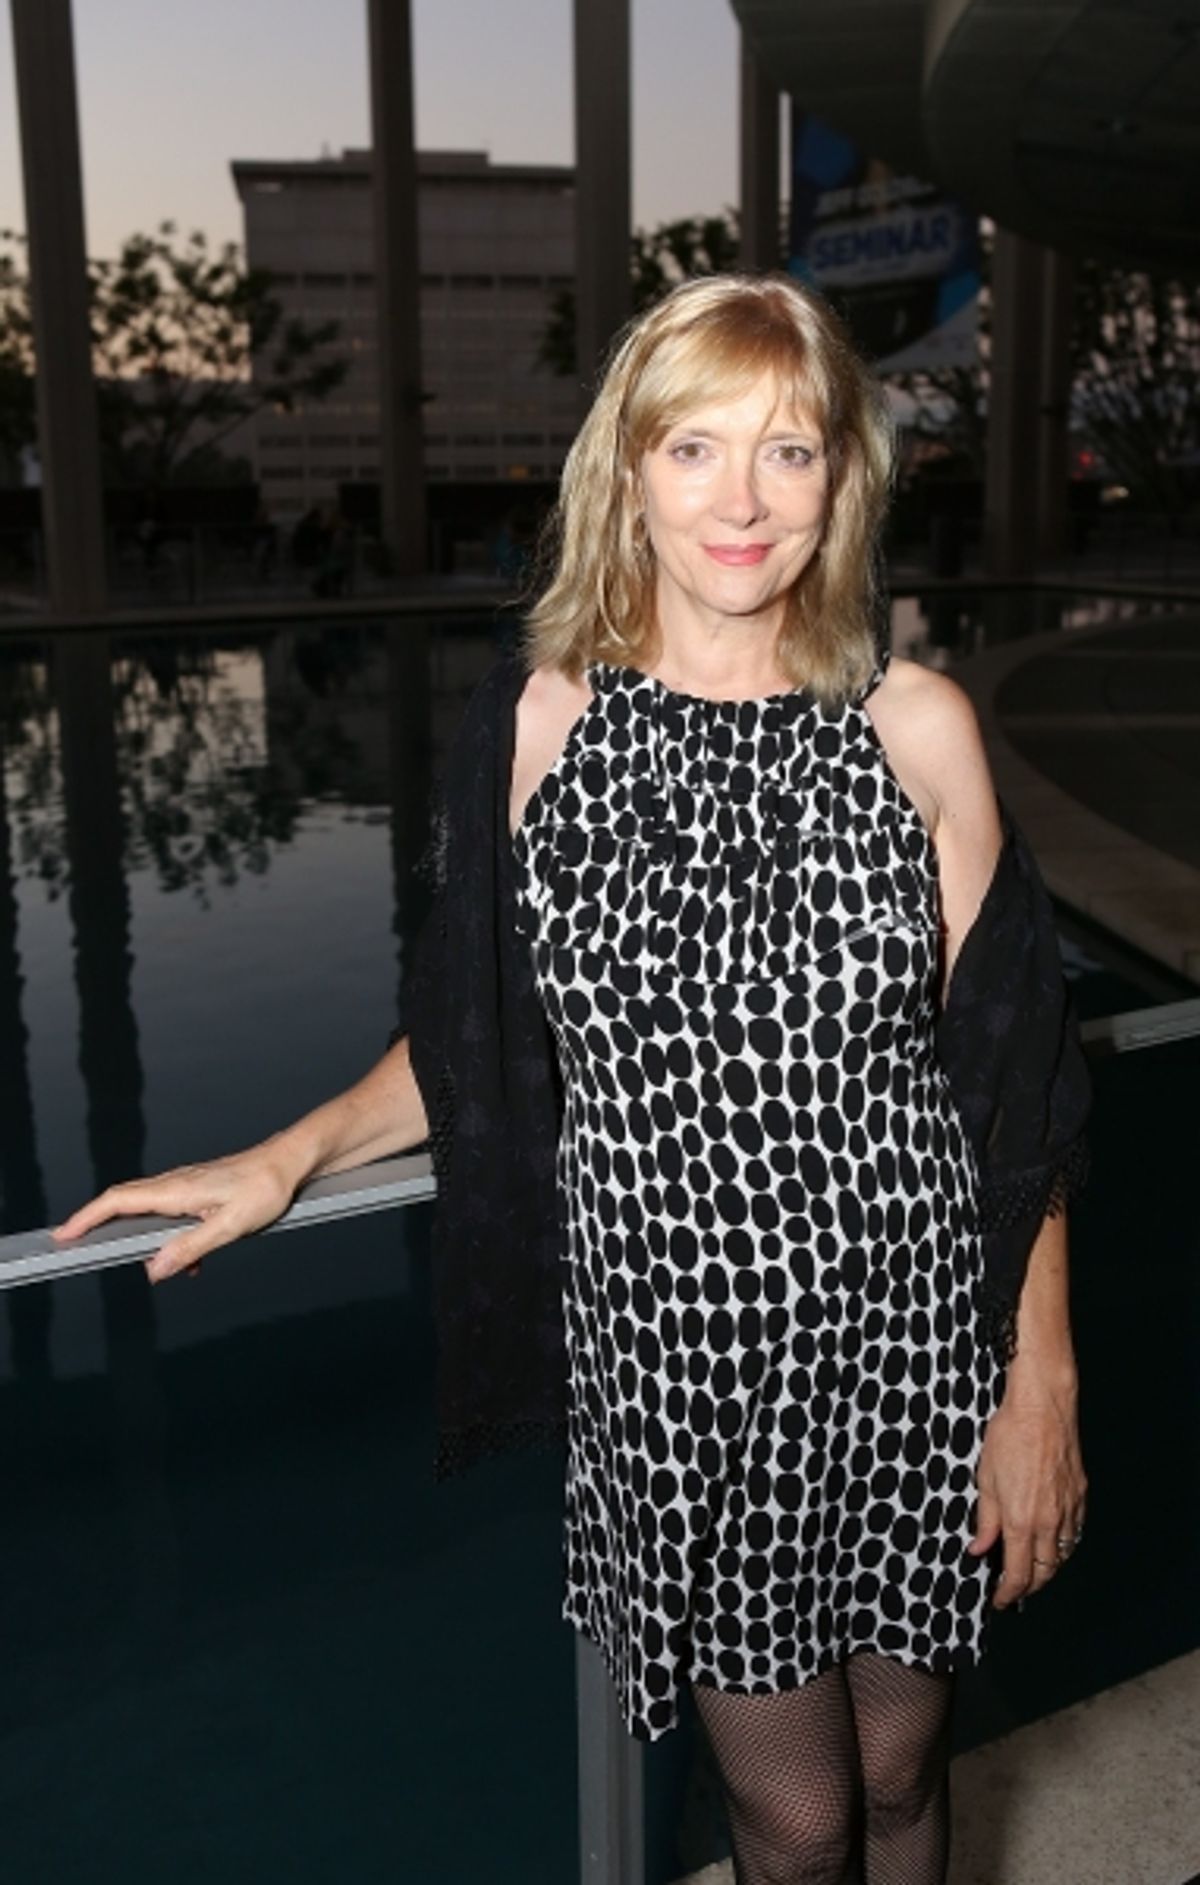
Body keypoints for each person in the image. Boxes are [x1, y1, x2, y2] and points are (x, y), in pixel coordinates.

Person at [52, 274, 1091, 1885]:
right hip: (690, 1378)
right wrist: (294, 1152)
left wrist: (1043, 1387)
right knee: (800, 1816)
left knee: (898, 1768)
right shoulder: (545, 726)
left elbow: (1015, 1092)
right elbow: (478, 1039)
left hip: (912, 1349)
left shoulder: (921, 730)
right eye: (695, 448)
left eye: (789, 451)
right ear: (629, 472)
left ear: (844, 481)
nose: (741, 500)